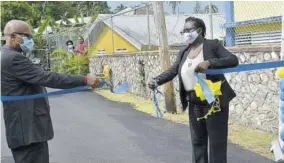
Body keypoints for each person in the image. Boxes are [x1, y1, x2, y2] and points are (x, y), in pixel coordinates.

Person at [1, 20, 101, 163]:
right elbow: (47, 78)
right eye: (27, 36)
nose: (30, 40)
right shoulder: (12, 58)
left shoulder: (8, 55)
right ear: (13, 36)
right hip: (27, 130)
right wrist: (84, 79)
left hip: (24, 128)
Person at [148, 17, 239, 163]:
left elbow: (233, 59)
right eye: (184, 30)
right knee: (198, 143)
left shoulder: (212, 45)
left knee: (217, 144)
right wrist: (157, 80)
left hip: (214, 102)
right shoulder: (184, 51)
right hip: (194, 103)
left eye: (188, 30)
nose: (185, 33)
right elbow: (174, 70)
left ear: (199, 31)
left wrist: (209, 62)